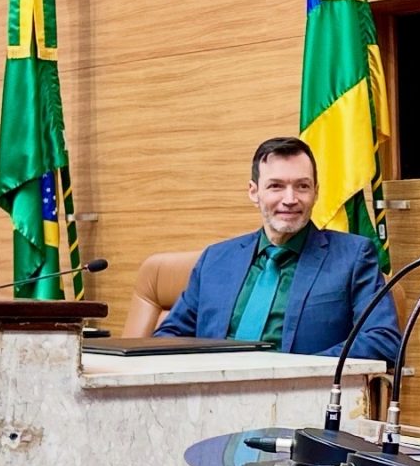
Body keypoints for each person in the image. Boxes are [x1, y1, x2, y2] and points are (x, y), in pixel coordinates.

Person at [155, 137, 401, 361]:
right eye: (276, 186)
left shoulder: (353, 257)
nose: (290, 199)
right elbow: (169, 337)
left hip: (298, 400)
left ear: (316, 192)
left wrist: (296, 370)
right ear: (254, 192)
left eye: (302, 186)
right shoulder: (216, 259)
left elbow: (382, 340)